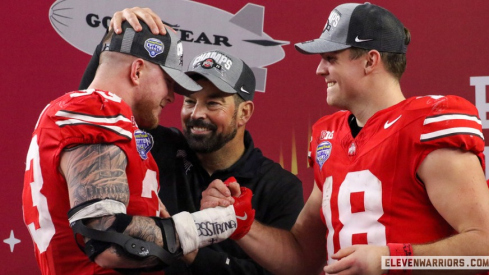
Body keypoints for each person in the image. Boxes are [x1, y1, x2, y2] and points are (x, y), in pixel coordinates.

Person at [200, 2, 489, 275]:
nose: (320, 69)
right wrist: (240, 225)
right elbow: (302, 258)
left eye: (331, 58)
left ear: (369, 61)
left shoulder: (426, 126)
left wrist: (391, 260)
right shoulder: (330, 136)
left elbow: (484, 249)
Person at [22, 20, 255, 275]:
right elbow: (107, 238)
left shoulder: (101, 118)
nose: (171, 96)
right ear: (137, 71)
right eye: (167, 81)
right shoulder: (97, 110)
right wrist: (214, 224)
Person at [79, 11, 304, 273]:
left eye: (213, 103)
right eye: (190, 101)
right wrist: (113, 43)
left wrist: (190, 246)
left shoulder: (280, 187)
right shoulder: (157, 146)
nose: (197, 114)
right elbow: (95, 116)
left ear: (244, 113)